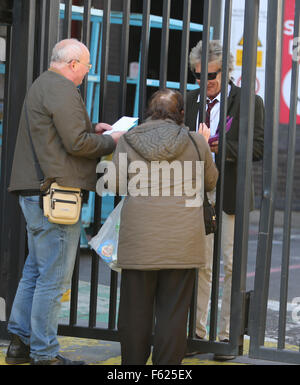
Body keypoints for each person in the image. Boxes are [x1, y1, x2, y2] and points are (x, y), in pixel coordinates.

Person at [5, 38, 123, 365]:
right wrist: (110, 139)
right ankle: (45, 354)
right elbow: (76, 143)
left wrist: (92, 127)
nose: (87, 72)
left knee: (36, 271)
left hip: (35, 191)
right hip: (56, 193)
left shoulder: (44, 84)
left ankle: (20, 344)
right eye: (86, 66)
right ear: (73, 65)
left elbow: (61, 136)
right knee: (53, 278)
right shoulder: (62, 88)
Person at [110, 88, 218, 365]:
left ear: (149, 112)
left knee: (135, 311)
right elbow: (210, 182)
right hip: (182, 240)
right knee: (174, 313)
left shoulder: (129, 140)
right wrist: (204, 146)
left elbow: (116, 184)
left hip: (140, 239)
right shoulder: (195, 141)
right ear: (181, 113)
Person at [184, 40, 264, 360]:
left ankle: (228, 337)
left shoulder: (249, 101)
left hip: (229, 191)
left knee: (231, 265)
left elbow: (257, 149)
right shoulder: (189, 101)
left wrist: (217, 148)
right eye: (198, 76)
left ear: (226, 71)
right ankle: (198, 335)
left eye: (211, 76)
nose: (205, 83)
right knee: (200, 264)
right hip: (197, 192)